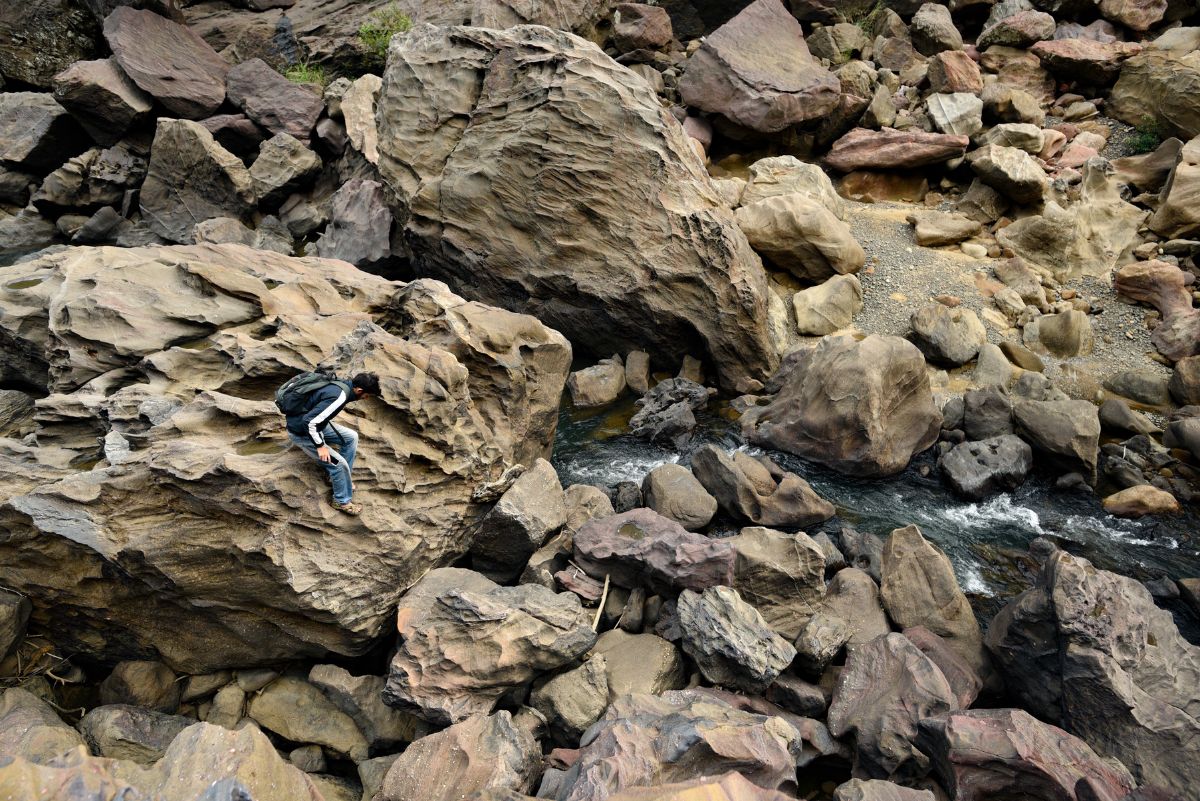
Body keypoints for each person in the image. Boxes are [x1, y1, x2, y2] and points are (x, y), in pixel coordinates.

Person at [284, 372, 380, 515]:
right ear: (359, 391)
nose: (366, 398)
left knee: (351, 437)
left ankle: (337, 478)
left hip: (317, 425)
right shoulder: (339, 396)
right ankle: (341, 501)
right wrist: (320, 446)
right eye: (367, 395)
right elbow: (309, 422)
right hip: (303, 432)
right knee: (339, 464)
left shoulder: (344, 385)